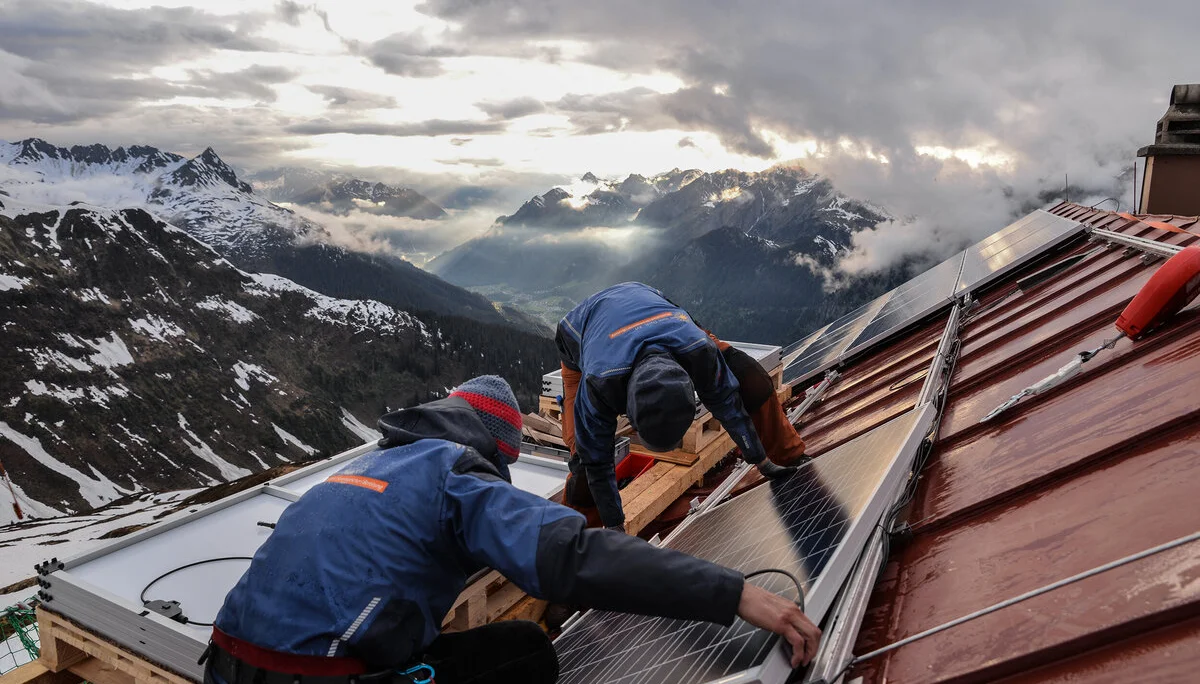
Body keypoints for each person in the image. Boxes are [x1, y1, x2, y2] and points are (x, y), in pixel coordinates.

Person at [205, 376, 820, 684]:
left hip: (223, 664)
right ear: (492, 453)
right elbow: (572, 555)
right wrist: (733, 592)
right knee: (524, 651)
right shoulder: (454, 474)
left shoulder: (368, 466)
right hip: (313, 677)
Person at [556, 282, 808, 531]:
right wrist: (614, 526)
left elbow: (726, 401)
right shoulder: (600, 382)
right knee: (584, 457)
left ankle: (789, 455)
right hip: (582, 330)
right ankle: (580, 536)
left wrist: (760, 459)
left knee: (750, 379)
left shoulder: (698, 350)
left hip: (655, 311)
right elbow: (596, 460)